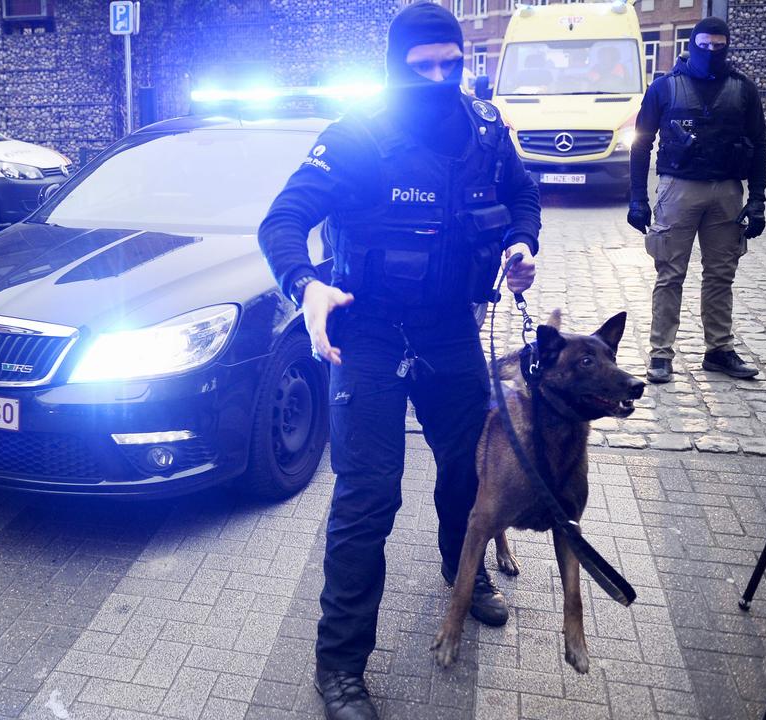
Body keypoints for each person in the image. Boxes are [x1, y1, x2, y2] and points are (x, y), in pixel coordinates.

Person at [257, 5, 540, 719]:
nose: (440, 78)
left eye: (451, 64)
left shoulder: (483, 129)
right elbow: (282, 219)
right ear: (395, 66)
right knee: (368, 495)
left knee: (466, 471)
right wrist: (306, 283)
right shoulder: (358, 134)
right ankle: (340, 666)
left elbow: (523, 196)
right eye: (423, 68)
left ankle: (462, 572)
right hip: (368, 330)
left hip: (449, 328)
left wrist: (523, 243)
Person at [628, 17, 766, 383]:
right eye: (704, 45)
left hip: (727, 191)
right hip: (678, 189)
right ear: (692, 44)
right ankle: (660, 354)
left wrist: (757, 201)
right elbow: (641, 144)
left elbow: (759, 146)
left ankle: (719, 349)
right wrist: (637, 199)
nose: (711, 51)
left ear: (727, 46)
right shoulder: (664, 88)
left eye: (719, 45)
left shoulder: (743, 90)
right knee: (669, 274)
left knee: (722, 274)